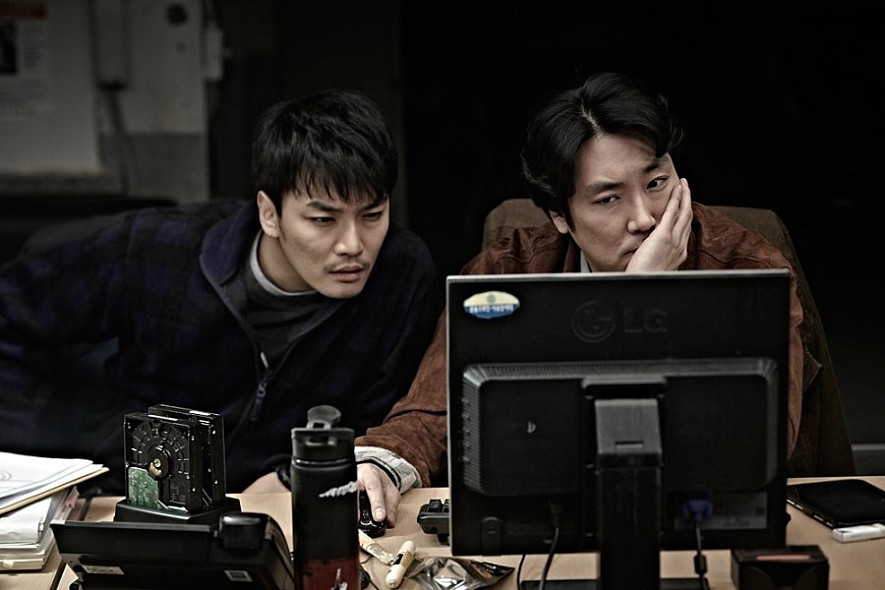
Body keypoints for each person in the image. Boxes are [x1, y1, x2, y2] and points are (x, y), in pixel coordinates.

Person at [0, 90, 441, 525]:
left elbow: (384, 414)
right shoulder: (158, 247)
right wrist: (63, 445)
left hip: (288, 508)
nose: (353, 245)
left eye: (372, 215)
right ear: (269, 213)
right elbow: (12, 312)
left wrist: (290, 475)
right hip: (133, 498)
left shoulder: (400, 273)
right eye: (323, 220)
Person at [382, 71, 814, 485]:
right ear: (560, 216)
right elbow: (431, 412)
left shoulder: (746, 268)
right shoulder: (507, 270)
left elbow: (761, 440)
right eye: (609, 199)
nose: (644, 219)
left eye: (656, 182)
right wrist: (385, 466)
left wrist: (642, 298)